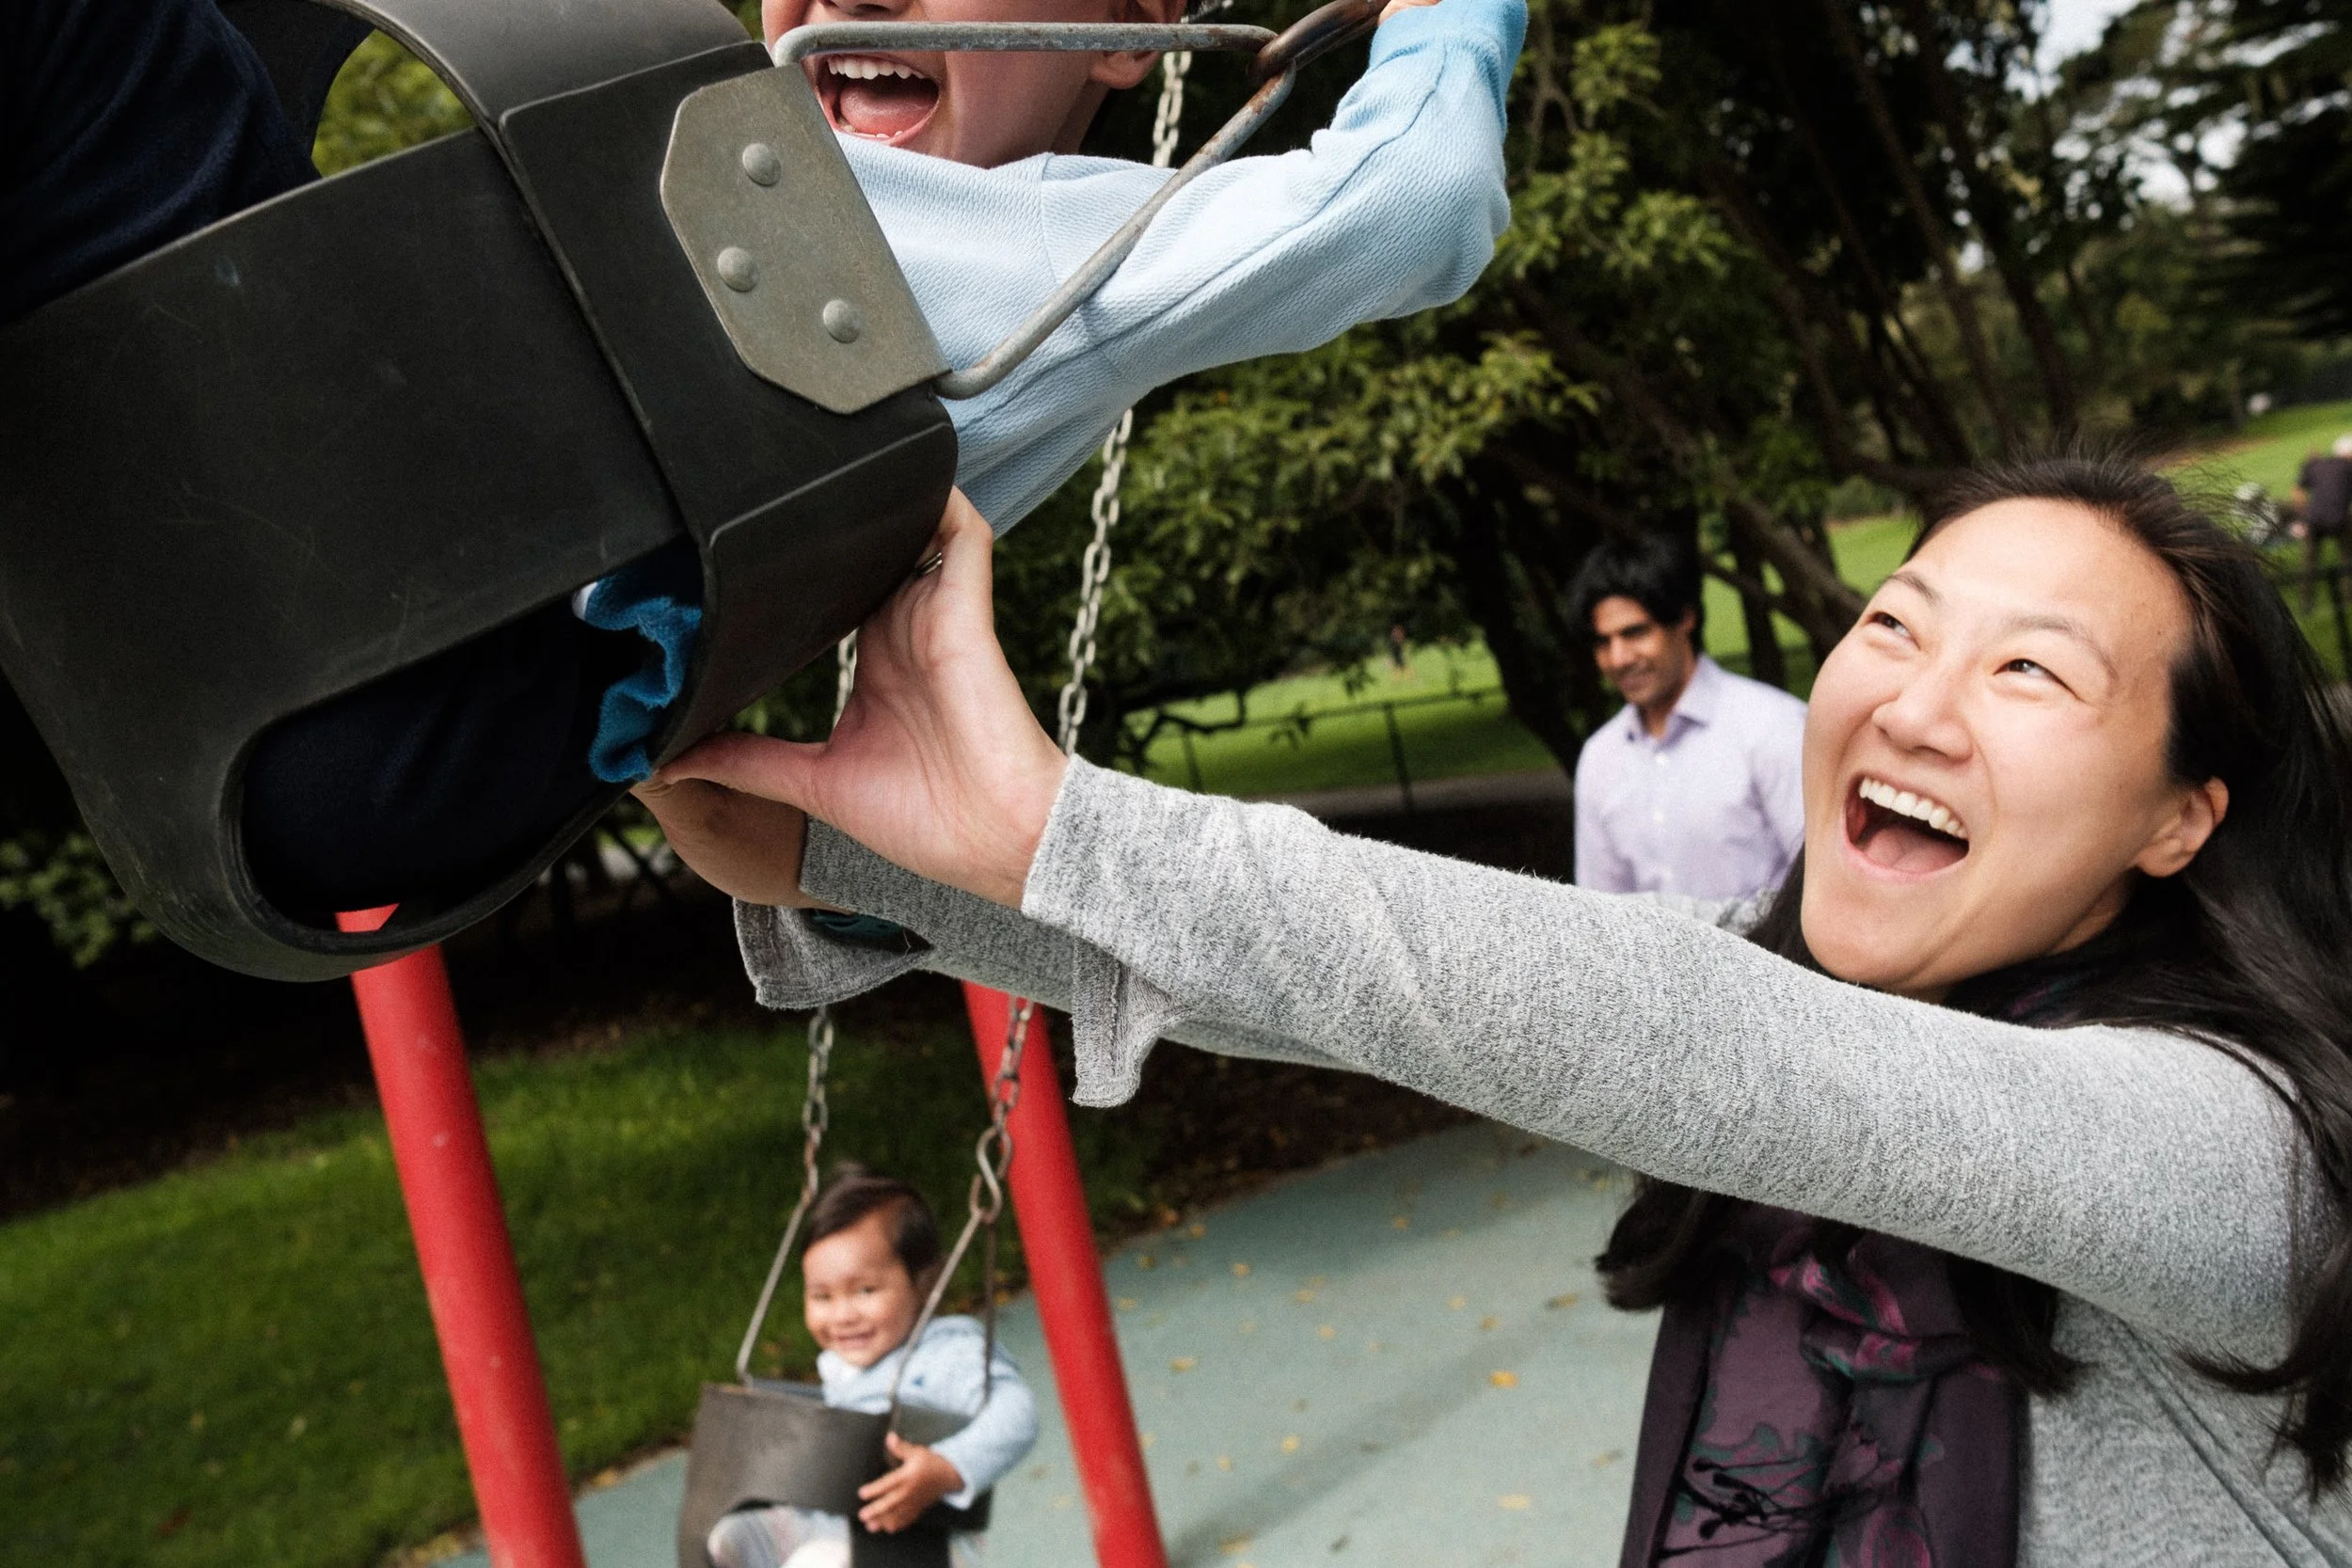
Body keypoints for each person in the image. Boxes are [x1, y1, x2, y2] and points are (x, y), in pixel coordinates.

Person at [638, 455, 2352, 1558]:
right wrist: (847, 860)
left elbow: (1720, 1041)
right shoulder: (1763, 988)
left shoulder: (2231, 1141)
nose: (1915, 703)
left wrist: (1060, 827)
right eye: (1895, 625)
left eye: (2030, 668)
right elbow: (1349, 1006)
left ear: (2182, 813)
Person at [2, 0, 1514, 918]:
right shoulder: (662, 164)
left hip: (375, 677)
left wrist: (1450, 21)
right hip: (279, 701)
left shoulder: (1070, 247)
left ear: (1124, 44)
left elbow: (1414, 196)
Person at [707, 1164, 1038, 1568]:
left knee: (816, 1562)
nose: (843, 1315)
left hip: (920, 1546)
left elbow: (1017, 1414)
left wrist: (948, 1467)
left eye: (865, 1290)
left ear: (927, 1282)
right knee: (729, 1535)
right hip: (833, 1527)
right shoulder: (842, 1368)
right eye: (822, 1297)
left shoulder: (947, 1354)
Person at [1565, 534, 1805, 898]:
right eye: (1603, 642)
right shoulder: (1601, 759)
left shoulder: (1773, 728)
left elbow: (1823, 886)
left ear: (1685, 619)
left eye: (1635, 632)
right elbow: (1601, 911)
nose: (1618, 658)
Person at [2292, 436, 2352, 610]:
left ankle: (2305, 604)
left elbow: (2297, 491)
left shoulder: (2317, 464)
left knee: (2309, 564)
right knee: (2348, 558)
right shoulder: (2349, 467)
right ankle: (2348, 600)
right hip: (2339, 520)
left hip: (2313, 520)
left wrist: (2301, 517)